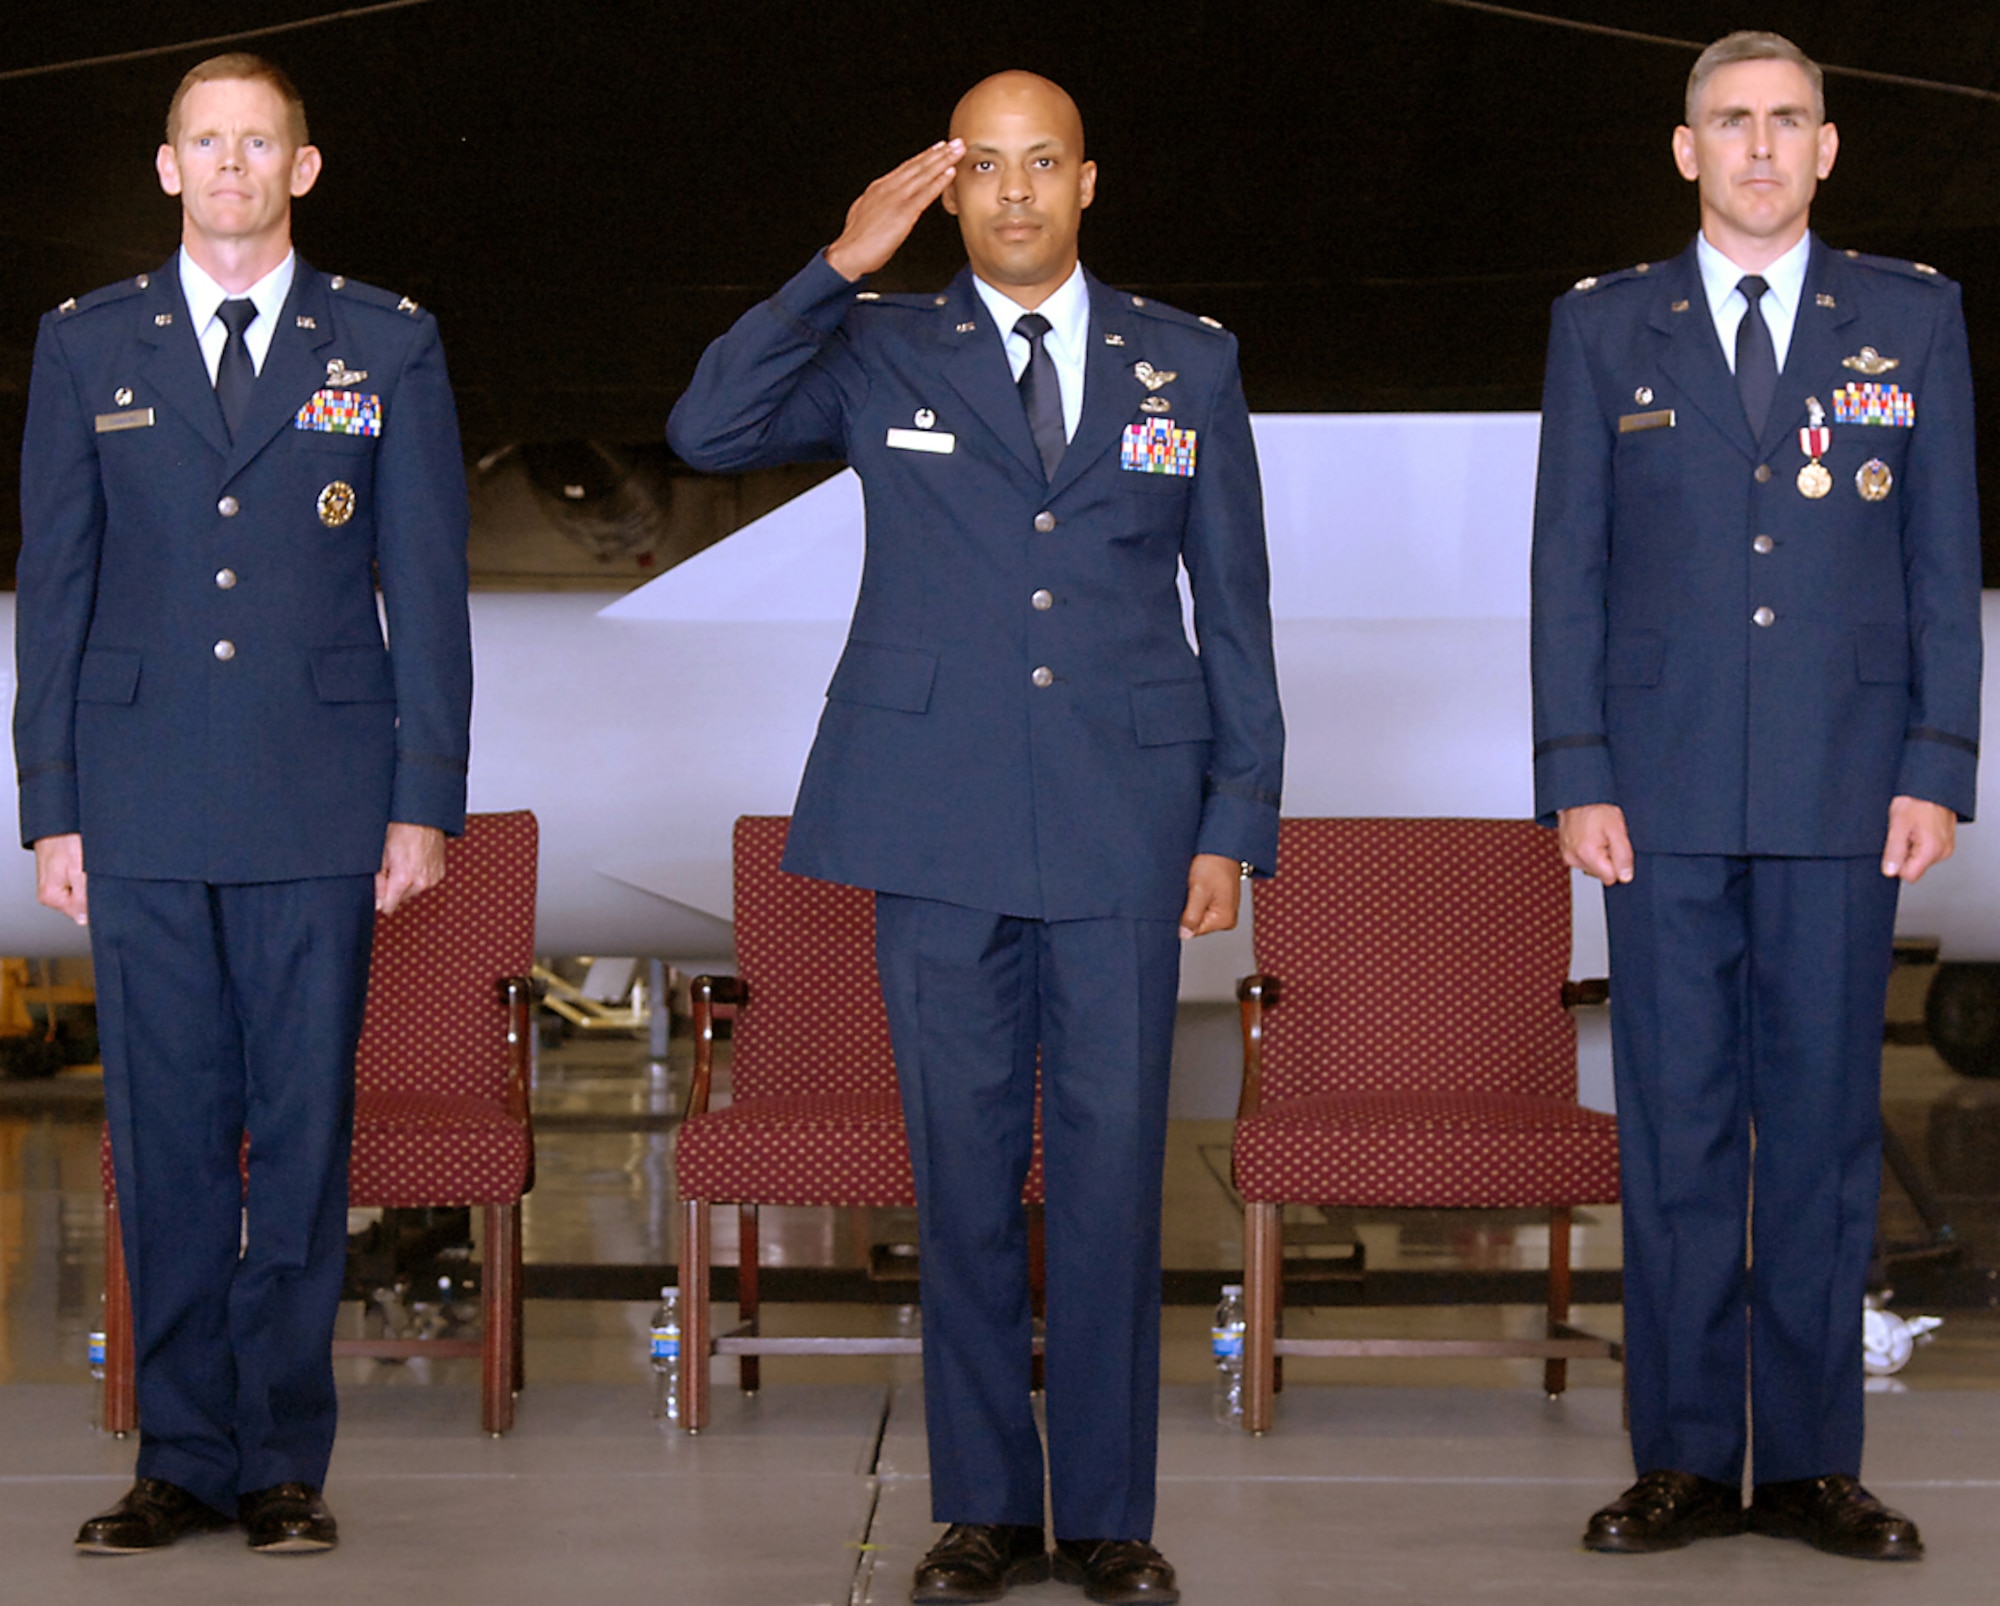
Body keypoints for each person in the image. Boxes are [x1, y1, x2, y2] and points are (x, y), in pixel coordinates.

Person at [671, 69, 1282, 1606]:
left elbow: (1239, 613)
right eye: (984, 168)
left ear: (1090, 182)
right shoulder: (884, 350)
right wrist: (838, 263)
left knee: (1109, 1176)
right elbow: (706, 424)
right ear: (947, 192)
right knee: (956, 1178)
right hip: (933, 817)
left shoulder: (1185, 364)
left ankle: (1111, 1520)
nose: (1014, 192)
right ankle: (985, 1511)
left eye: (1042, 164)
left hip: (1126, 825)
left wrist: (1234, 822)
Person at [1531, 29, 1980, 1563]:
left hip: (1847, 788)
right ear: (1686, 149)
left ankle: (1803, 1463)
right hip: (1654, 793)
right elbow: (1568, 568)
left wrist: (1939, 763)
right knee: (1672, 1129)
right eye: (1733, 121)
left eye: (1790, 120)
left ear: (1829, 147)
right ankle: (1675, 1460)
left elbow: (1940, 557)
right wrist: (1574, 769)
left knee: (1822, 1129)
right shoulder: (1604, 328)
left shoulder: (1912, 319)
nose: (1763, 146)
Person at [15, 53, 472, 1555]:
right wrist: (51, 803)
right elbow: (57, 589)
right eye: (204, 143)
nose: (229, 166)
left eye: (255, 143)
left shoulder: (386, 344)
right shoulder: (88, 346)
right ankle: (178, 1454)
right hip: (139, 796)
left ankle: (280, 1459)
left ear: (303, 167)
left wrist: (423, 798)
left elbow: (428, 588)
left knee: (299, 1128)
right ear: (166, 169)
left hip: (317, 796)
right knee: (161, 1135)